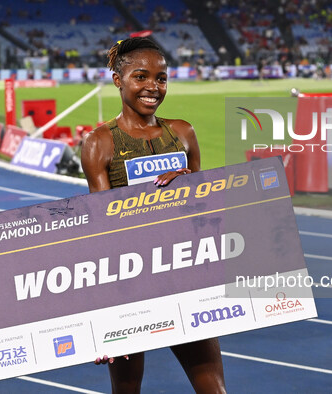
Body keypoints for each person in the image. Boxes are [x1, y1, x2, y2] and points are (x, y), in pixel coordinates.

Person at [81, 37, 227, 394]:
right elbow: (104, 233)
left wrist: (190, 182)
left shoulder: (183, 133)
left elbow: (201, 214)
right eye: (141, 77)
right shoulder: (100, 143)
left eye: (161, 78)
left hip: (182, 278)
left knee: (214, 389)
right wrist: (103, 317)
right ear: (118, 80)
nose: (153, 87)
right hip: (130, 285)